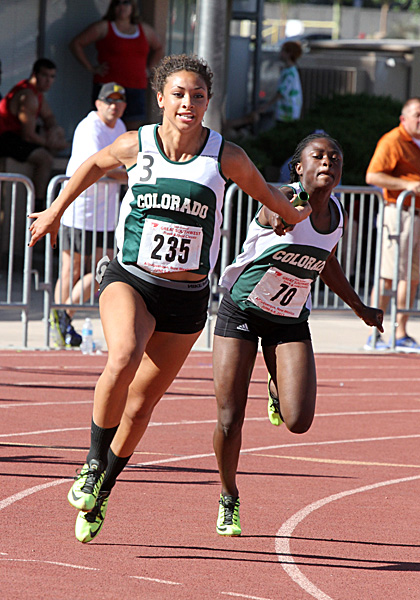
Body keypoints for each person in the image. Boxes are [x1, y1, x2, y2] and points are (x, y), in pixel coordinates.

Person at [28, 54, 312, 544]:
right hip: (132, 279)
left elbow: (271, 199)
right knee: (123, 355)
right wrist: (55, 210)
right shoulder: (136, 145)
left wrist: (293, 212)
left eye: (197, 96)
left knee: (140, 407)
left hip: (186, 298)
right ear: (160, 98)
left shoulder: (226, 157)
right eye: (178, 94)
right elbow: (92, 164)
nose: (187, 103)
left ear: (207, 103)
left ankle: (104, 490)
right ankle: (92, 463)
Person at [212, 133, 384, 536]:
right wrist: (282, 214)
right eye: (318, 156)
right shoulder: (287, 198)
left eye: (335, 158)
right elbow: (275, 213)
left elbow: (326, 262)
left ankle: (276, 385)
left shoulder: (337, 215)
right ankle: (228, 494)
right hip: (241, 311)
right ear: (299, 167)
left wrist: (359, 307)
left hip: (288, 320)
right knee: (230, 418)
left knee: (299, 421)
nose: (327, 162)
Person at [50, 82, 128, 348]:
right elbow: (102, 167)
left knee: (102, 269)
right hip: (80, 210)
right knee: (71, 269)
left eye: (119, 101)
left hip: (106, 213)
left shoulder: (120, 127)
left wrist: (127, 172)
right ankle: (60, 321)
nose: (114, 106)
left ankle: (62, 317)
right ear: (98, 104)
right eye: (109, 101)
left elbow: (120, 165)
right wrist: (131, 174)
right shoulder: (89, 127)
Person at [365, 97, 420, 352]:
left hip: (416, 216)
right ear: (403, 118)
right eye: (417, 114)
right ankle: (374, 334)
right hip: (399, 214)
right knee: (388, 275)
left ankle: (400, 333)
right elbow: (372, 175)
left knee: (412, 276)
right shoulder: (393, 140)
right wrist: (407, 185)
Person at [69, 0, 164, 131]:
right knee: (106, 126)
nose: (122, 7)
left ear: (133, 7)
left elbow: (159, 48)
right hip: (109, 88)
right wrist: (91, 67)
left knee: (132, 129)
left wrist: (149, 68)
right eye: (118, 3)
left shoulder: (144, 30)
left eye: (126, 3)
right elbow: (76, 44)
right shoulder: (104, 27)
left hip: (136, 87)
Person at [0, 58, 68, 211]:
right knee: (45, 159)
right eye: (44, 75)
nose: (48, 81)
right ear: (34, 75)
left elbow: (49, 117)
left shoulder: (37, 94)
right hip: (6, 138)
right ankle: (38, 204)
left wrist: (54, 130)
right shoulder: (28, 96)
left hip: (17, 137)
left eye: (52, 76)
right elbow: (28, 136)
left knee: (58, 132)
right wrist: (52, 143)